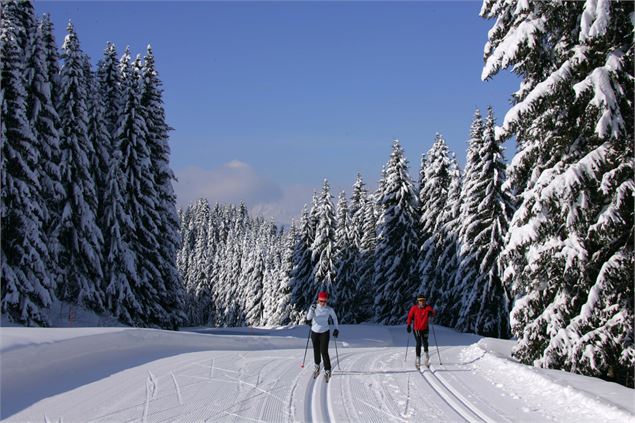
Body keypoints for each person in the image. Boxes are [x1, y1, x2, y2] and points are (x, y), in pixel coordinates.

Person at [306, 291, 339, 380]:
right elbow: (308, 318)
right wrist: (311, 310)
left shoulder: (329, 309)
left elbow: (335, 319)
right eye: (321, 301)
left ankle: (328, 370)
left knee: (324, 351)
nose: (323, 303)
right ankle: (317, 366)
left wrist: (336, 329)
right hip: (314, 332)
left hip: (325, 332)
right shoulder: (314, 307)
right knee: (316, 350)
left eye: (325, 301)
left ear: (327, 301)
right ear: (318, 300)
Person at [406, 294, 436, 368]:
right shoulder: (414, 308)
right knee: (419, 342)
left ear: (425, 301)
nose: (422, 302)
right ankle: (418, 358)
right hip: (416, 328)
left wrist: (432, 313)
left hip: (425, 328)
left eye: (423, 300)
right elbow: (409, 316)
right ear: (418, 301)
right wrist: (409, 325)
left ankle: (426, 355)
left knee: (425, 342)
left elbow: (433, 314)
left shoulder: (427, 308)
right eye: (420, 301)